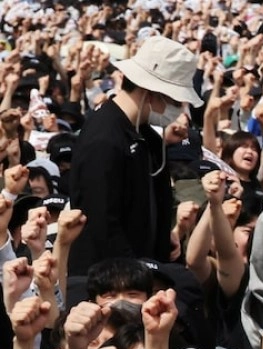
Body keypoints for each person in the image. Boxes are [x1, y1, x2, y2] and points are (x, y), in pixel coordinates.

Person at [67, 37, 201, 276]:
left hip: (139, 267)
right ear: (151, 92)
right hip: (110, 280)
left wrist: (161, 237)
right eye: (172, 99)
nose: (177, 108)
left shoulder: (145, 136)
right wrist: (135, 277)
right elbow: (103, 222)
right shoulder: (104, 138)